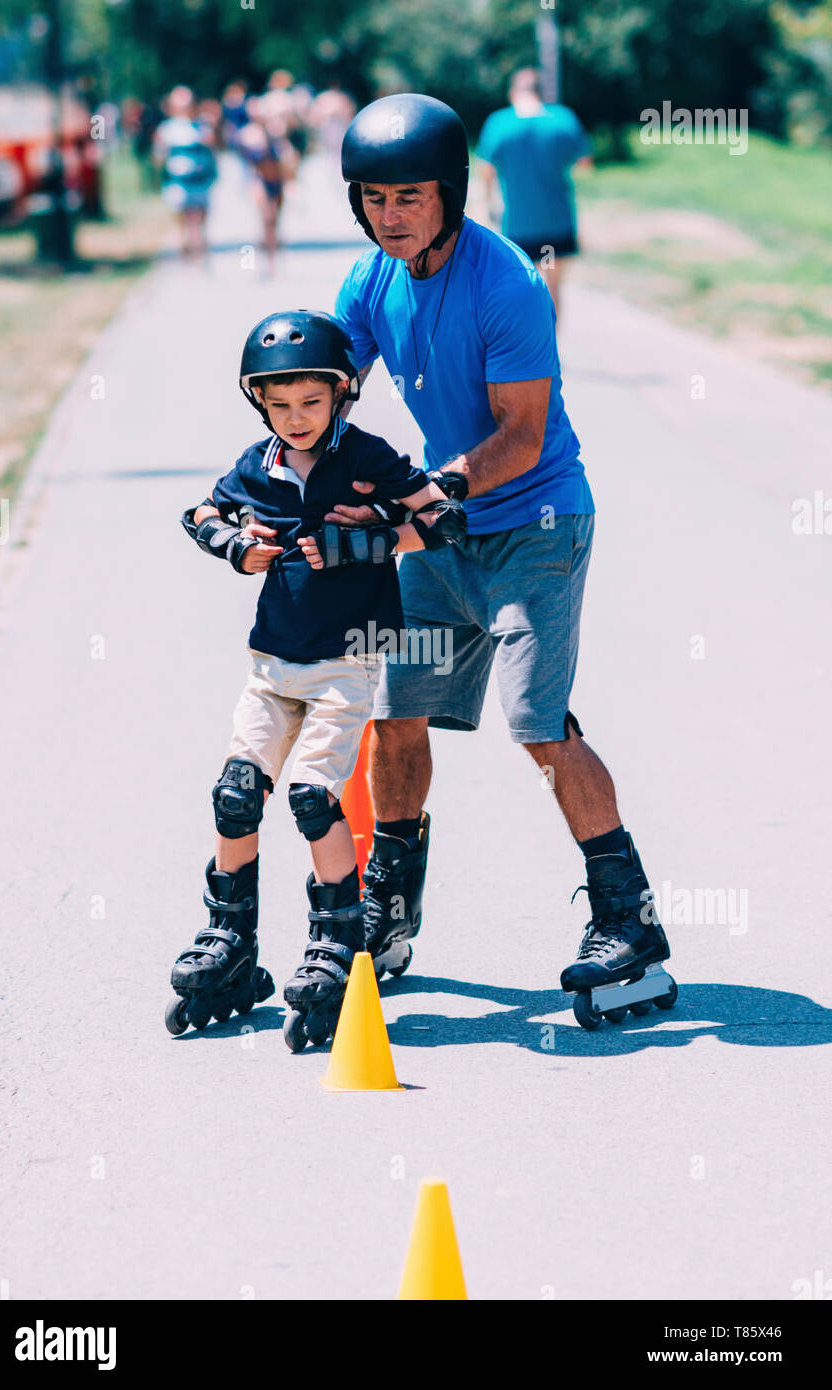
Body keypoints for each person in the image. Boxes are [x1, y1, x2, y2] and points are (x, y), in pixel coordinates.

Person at [331, 93, 675, 1027]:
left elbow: (520, 438)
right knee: (396, 716)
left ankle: (627, 919)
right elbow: (335, 396)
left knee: (536, 722)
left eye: (409, 197)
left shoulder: (507, 284)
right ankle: (388, 912)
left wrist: (424, 497)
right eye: (373, 198)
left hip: (535, 526)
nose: (390, 214)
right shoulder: (368, 282)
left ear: (448, 193)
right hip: (445, 533)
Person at [165, 311, 468, 1051]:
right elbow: (200, 512)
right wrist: (233, 544)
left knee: (310, 796)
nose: (295, 418)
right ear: (259, 403)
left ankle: (336, 938)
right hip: (272, 660)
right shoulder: (256, 464)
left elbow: (444, 520)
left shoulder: (368, 457)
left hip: (346, 661)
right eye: (279, 404)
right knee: (236, 794)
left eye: (309, 401)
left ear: (340, 393)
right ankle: (229, 936)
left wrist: (369, 537)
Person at [476, 68, 593, 318]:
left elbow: (485, 171)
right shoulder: (563, 119)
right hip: (557, 222)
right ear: (542, 91)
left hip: (518, 225)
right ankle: (551, 351)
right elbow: (585, 163)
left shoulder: (499, 123)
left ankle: (528, 352)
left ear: (512, 93)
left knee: (523, 290)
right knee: (553, 288)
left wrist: (488, 207)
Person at [233, 96, 298, 274]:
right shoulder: (248, 134)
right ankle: (267, 259)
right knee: (267, 217)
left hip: (277, 180)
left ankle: (272, 254)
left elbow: (288, 154)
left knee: (275, 220)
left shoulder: (276, 131)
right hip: (258, 180)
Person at [152, 85, 217, 258]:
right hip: (177, 182)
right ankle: (185, 257)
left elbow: (212, 152)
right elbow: (158, 157)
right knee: (181, 223)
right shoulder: (166, 129)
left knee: (200, 223)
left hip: (200, 180)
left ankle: (200, 257)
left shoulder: (202, 127)